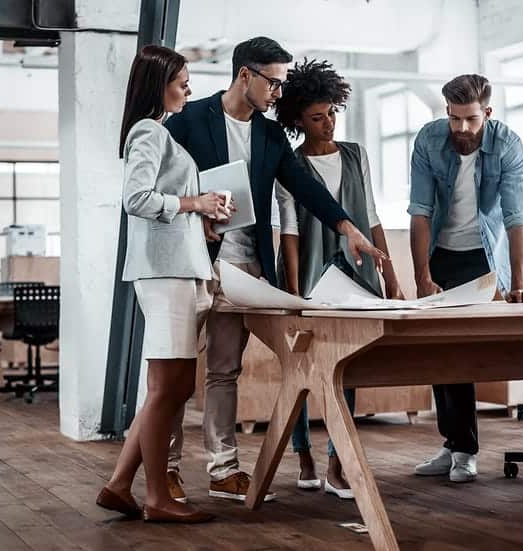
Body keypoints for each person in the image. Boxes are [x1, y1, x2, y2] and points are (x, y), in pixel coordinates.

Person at [163, 37, 387, 504]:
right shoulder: (187, 121)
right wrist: (194, 214)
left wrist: (349, 228)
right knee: (176, 375)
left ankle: (224, 470)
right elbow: (160, 190)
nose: (278, 94)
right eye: (274, 83)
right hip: (192, 264)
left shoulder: (268, 135)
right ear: (245, 74)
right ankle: (164, 470)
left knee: (224, 372)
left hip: (244, 269)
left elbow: (305, 187)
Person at [96, 45, 231, 523]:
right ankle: (157, 497)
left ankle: (118, 485)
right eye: (182, 81)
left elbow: (165, 203)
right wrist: (195, 204)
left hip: (177, 267)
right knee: (167, 388)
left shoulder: (158, 131)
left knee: (168, 389)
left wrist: (205, 216)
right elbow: (136, 197)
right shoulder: (149, 130)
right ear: (158, 84)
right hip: (166, 273)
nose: (189, 89)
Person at [273, 59, 405, 500]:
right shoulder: (288, 164)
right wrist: (292, 293)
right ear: (297, 121)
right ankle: (304, 456)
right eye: (316, 117)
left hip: (358, 270)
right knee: (298, 373)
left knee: (343, 370)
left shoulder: (355, 154)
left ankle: (335, 463)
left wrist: (392, 276)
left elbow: (369, 216)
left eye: (331, 113)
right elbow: (289, 229)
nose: (327, 123)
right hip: (309, 269)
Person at [409, 73, 523, 484]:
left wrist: (519, 282)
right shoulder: (429, 141)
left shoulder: (508, 145)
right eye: (455, 118)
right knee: (435, 353)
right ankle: (452, 445)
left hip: (482, 256)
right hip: (440, 254)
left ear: (488, 113)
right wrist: (422, 276)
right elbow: (420, 211)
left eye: (471, 120)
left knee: (460, 352)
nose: (462, 128)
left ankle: (465, 450)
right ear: (446, 111)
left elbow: (517, 218)